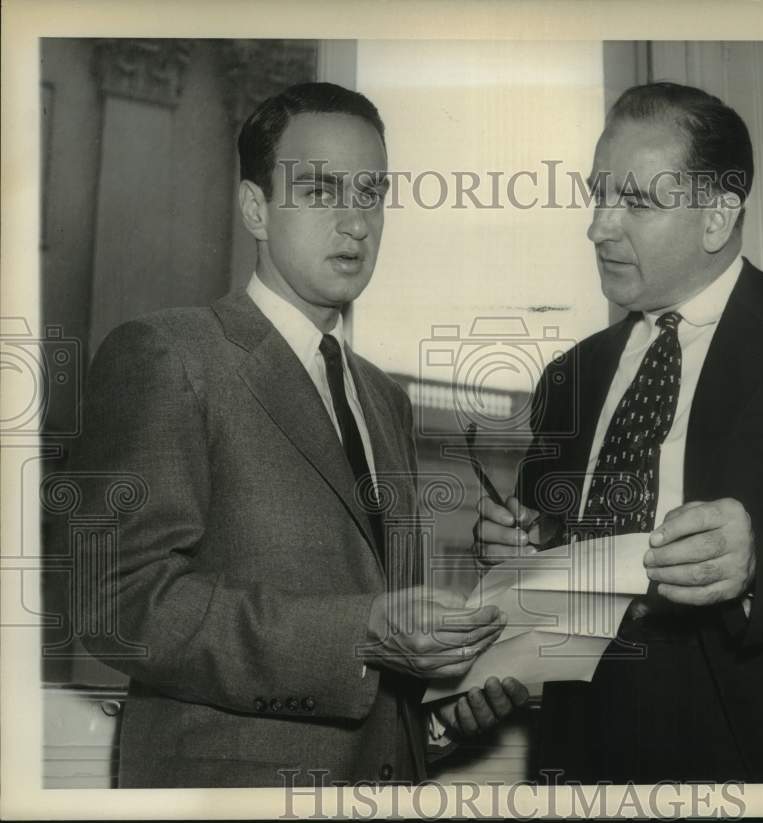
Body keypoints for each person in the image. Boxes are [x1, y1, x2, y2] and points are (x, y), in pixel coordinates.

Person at [474, 81, 763, 783]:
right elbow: (549, 549)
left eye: (636, 202)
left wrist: (762, 560)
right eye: (599, 194)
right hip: (583, 754)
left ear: (717, 216)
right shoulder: (568, 377)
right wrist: (521, 549)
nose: (600, 227)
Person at [73, 82, 526, 788]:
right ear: (256, 207)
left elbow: (383, 644)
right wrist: (362, 631)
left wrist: (440, 710)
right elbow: (117, 605)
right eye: (320, 191)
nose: (355, 223)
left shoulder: (384, 399)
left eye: (371, 193)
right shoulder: (168, 354)